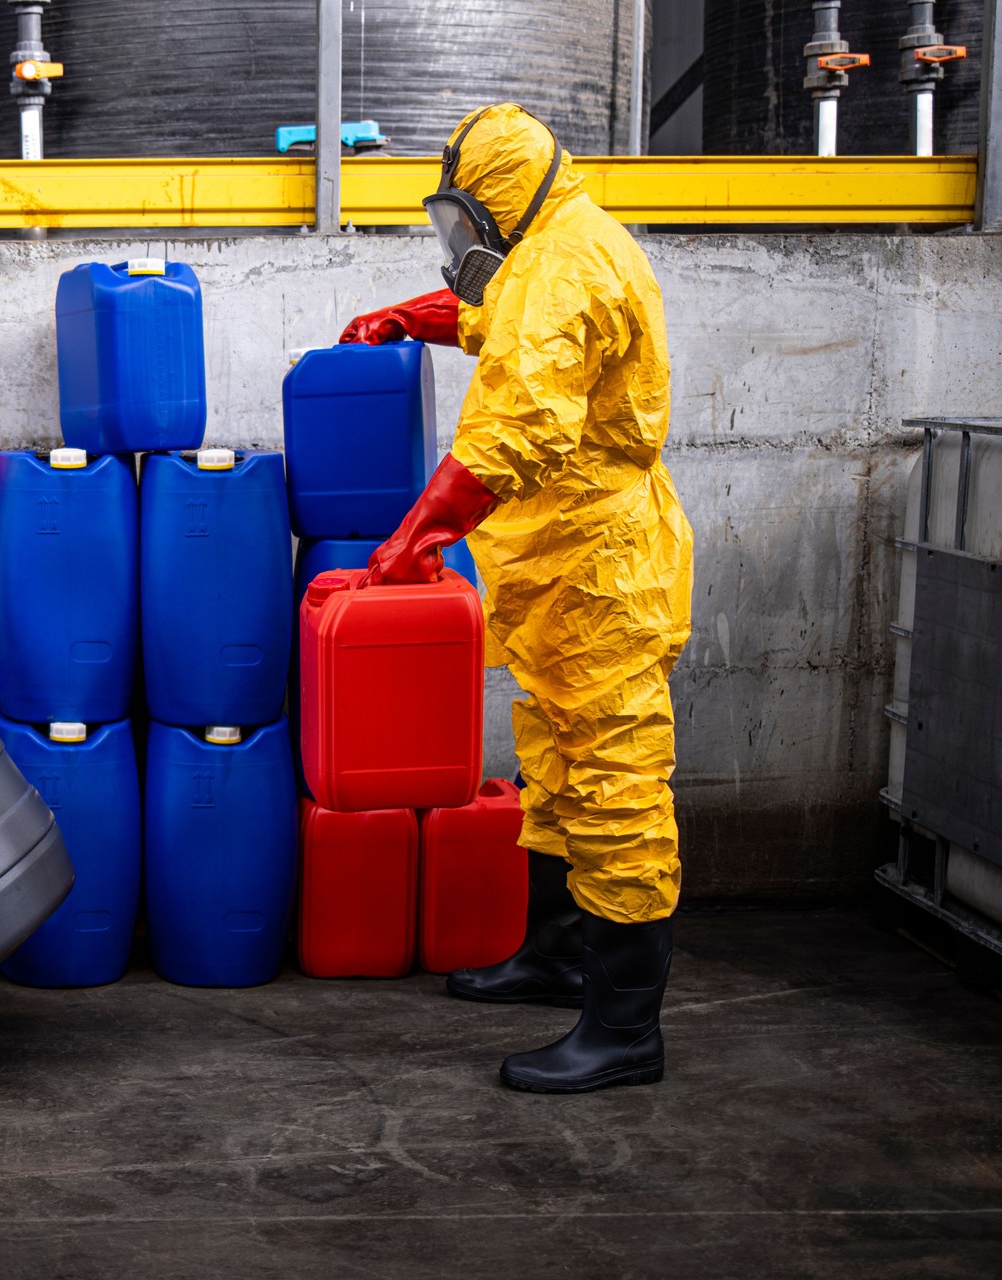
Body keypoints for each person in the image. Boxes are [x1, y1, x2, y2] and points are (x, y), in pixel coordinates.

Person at [340, 103, 694, 1093]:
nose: (462, 236)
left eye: (466, 214)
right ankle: (558, 954)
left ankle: (625, 1030)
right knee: (557, 761)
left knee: (615, 780)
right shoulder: (548, 241)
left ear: (501, 194)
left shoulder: (570, 263)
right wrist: (410, 314)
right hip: (558, 568)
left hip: (603, 568)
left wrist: (412, 542)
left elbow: (513, 428)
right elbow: (499, 318)